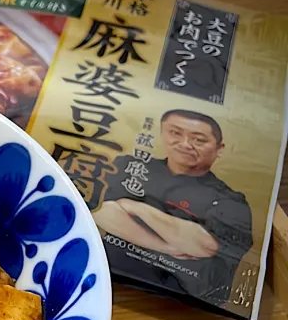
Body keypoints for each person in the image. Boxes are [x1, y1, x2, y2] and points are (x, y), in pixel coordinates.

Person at [93, 109, 253, 306]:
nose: (185, 144)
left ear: (219, 148)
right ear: (162, 134)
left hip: (186, 307)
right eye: (175, 133)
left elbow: (205, 246)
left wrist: (134, 207)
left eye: (199, 140)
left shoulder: (230, 200)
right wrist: (167, 247)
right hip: (104, 282)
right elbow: (99, 210)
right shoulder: (128, 165)